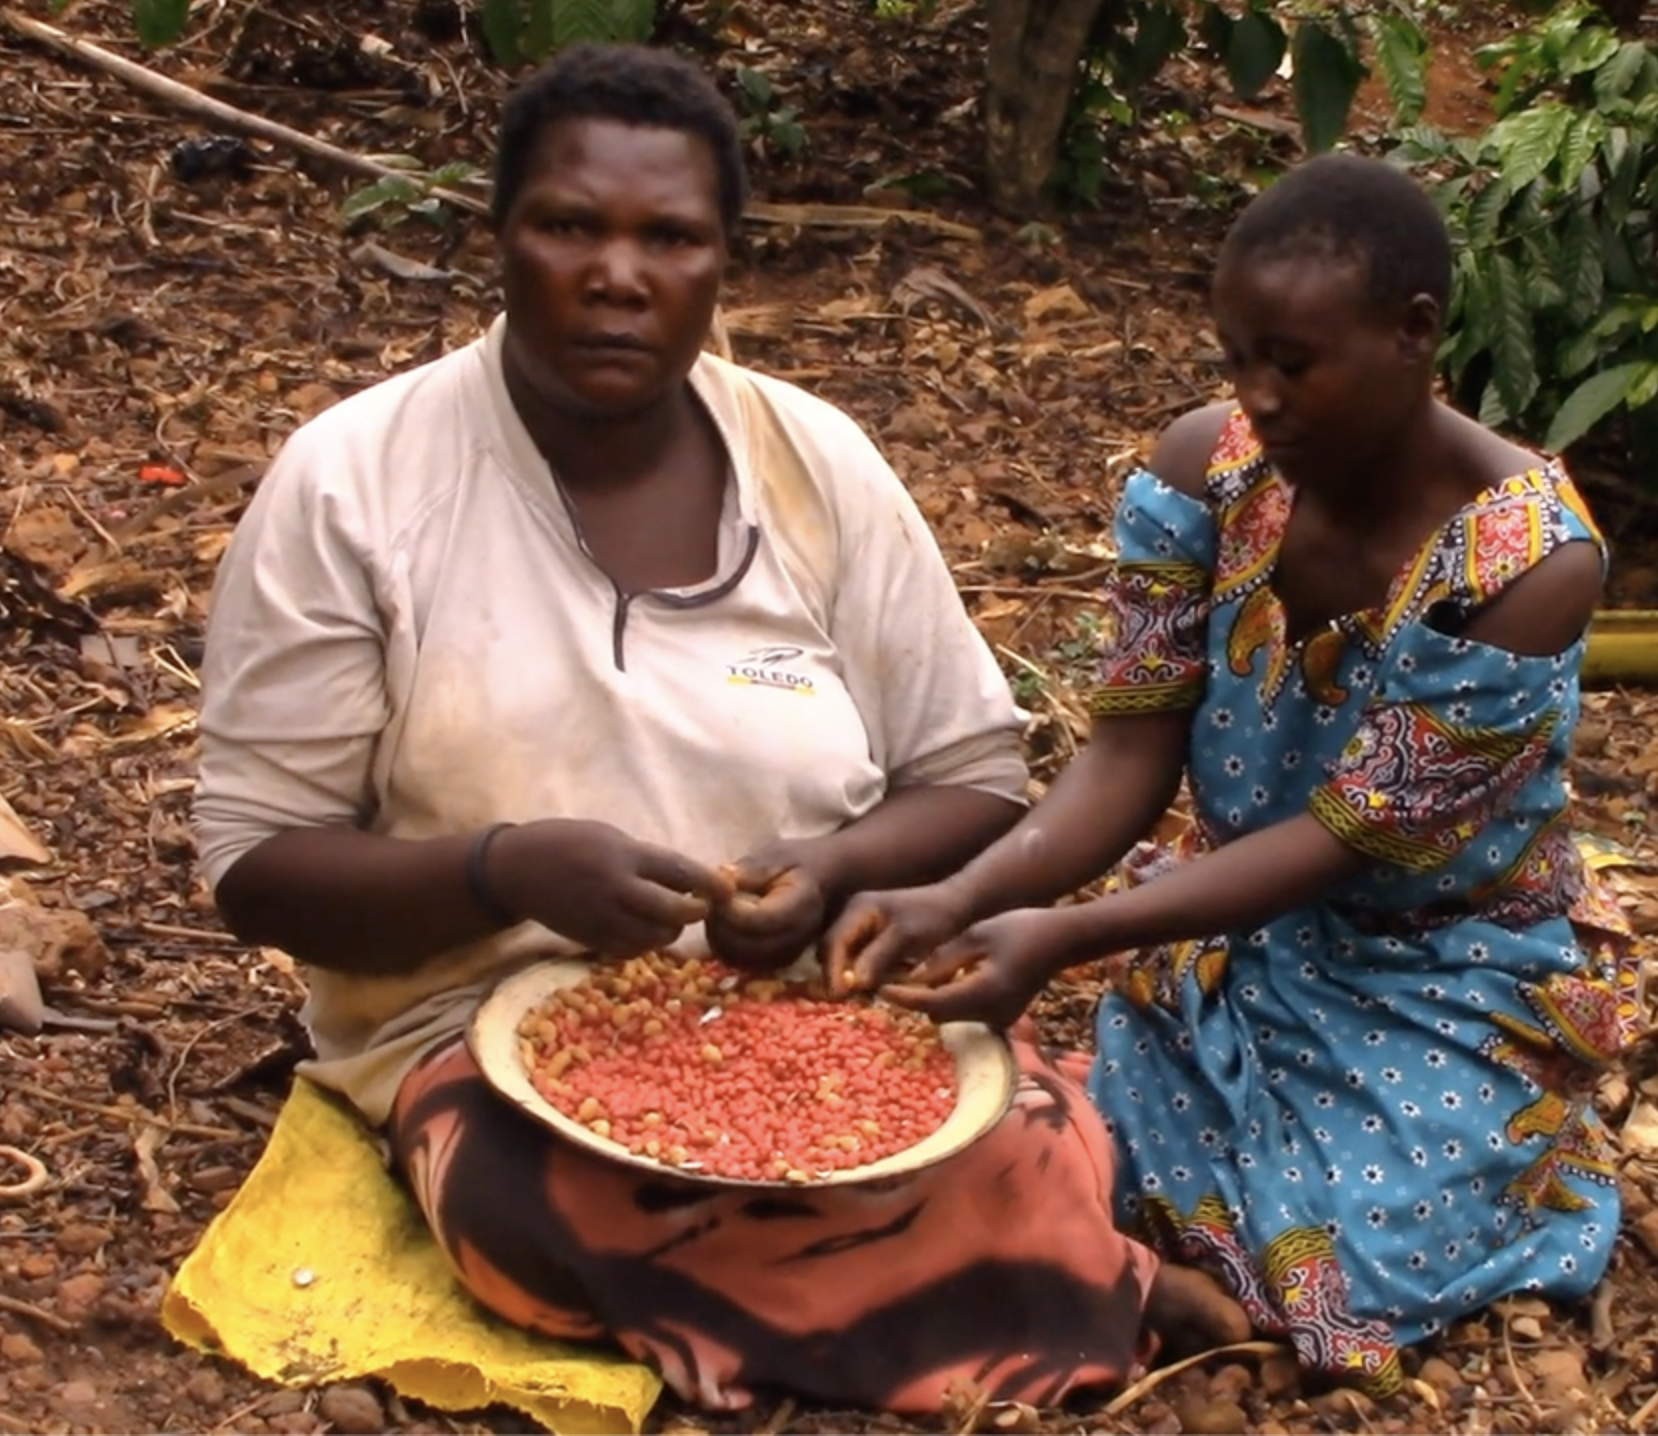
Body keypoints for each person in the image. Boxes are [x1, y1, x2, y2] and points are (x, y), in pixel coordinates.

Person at [191, 43, 1158, 1415]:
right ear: (501, 238)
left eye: (671, 238)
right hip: (471, 1026)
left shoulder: (815, 466)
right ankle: (1048, 1294)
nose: (618, 274)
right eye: (570, 225)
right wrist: (500, 871)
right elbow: (255, 864)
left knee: (1020, 1117)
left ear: (724, 266)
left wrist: (823, 877)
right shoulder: (357, 484)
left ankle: (1005, 1278)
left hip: (802, 1002)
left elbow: (971, 775)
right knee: (557, 1210)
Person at [829, 153, 1643, 1396]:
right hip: (1231, 933)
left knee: (1350, 1254)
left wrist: (1063, 932)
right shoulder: (1205, 471)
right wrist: (972, 896)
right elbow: (1126, 747)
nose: (1257, 396)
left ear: (1415, 333)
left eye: (1293, 362)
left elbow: (1345, 839)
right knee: (1078, 1139)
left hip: (1440, 966)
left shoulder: (1526, 561)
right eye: (1237, 357)